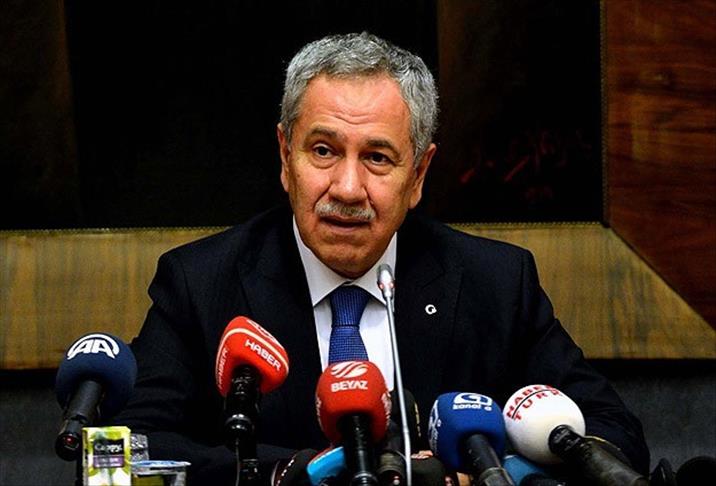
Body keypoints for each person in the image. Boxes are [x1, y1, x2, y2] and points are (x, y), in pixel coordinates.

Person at [115, 32, 649, 484]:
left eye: (376, 157)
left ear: (418, 175)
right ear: (285, 156)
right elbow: (134, 447)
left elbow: (613, 436)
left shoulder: (496, 283)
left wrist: (476, 473)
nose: (347, 188)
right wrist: (303, 473)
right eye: (323, 151)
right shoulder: (200, 283)